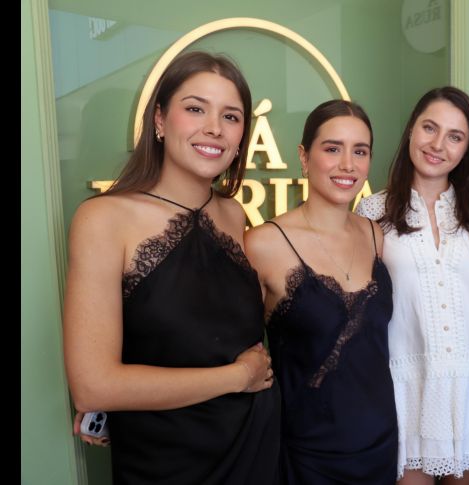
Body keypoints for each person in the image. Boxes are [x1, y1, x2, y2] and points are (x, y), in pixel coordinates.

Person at [63, 51, 280, 484]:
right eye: (195, 108)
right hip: (164, 464)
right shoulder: (103, 219)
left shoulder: (235, 216)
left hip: (255, 449)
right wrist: (237, 376)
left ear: (242, 136)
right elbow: (94, 386)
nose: (214, 128)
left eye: (231, 116)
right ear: (159, 120)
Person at [244, 99, 397, 484]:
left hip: (380, 444)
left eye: (359, 151)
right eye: (332, 148)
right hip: (306, 456)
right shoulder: (263, 244)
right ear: (304, 156)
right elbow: (225, 348)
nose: (348, 164)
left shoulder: (375, 234)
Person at [356, 86, 469, 485]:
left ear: (467, 150)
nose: (438, 145)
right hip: (406, 380)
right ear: (411, 132)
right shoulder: (373, 212)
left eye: (455, 136)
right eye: (429, 128)